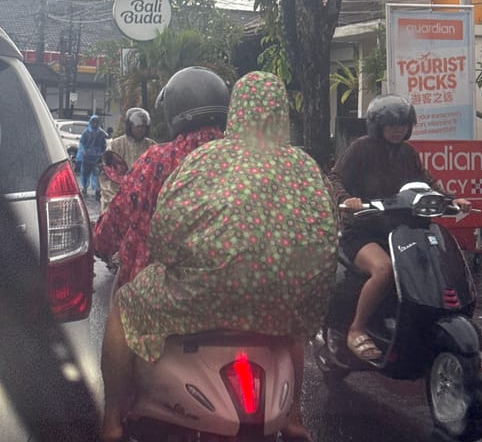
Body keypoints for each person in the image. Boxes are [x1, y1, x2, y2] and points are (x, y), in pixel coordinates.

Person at [100, 71, 338, 442]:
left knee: (124, 307)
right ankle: (294, 416)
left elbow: (168, 225)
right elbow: (326, 229)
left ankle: (113, 419)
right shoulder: (304, 166)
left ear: (237, 111)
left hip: (201, 299)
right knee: (291, 331)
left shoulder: (205, 158)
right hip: (277, 299)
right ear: (281, 114)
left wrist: (170, 262)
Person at [328, 93, 472, 363]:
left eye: (403, 124)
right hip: (363, 231)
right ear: (377, 125)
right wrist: (346, 200)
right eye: (391, 123)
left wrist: (452, 199)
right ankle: (356, 329)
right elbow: (335, 177)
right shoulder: (361, 149)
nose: (398, 129)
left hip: (400, 231)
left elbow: (427, 183)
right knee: (384, 270)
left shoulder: (408, 153)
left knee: (430, 267)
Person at [93, 66, 230, 286]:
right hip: (229, 288)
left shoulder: (158, 159)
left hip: (157, 289)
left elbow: (119, 215)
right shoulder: (242, 161)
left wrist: (100, 243)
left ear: (174, 111)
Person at [99, 108, 155, 212]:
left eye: (143, 127)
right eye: (137, 126)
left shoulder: (152, 146)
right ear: (130, 127)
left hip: (143, 199)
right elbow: (108, 175)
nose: (140, 129)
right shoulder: (116, 145)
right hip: (117, 196)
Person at [76, 114, 107, 198]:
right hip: (87, 157)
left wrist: (102, 154)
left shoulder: (101, 133)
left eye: (96, 122)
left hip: (97, 157)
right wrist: (83, 152)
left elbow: (104, 145)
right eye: (93, 122)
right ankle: (85, 188)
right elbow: (82, 144)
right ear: (90, 122)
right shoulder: (86, 133)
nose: (95, 124)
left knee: (97, 174)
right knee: (85, 174)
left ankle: (97, 190)